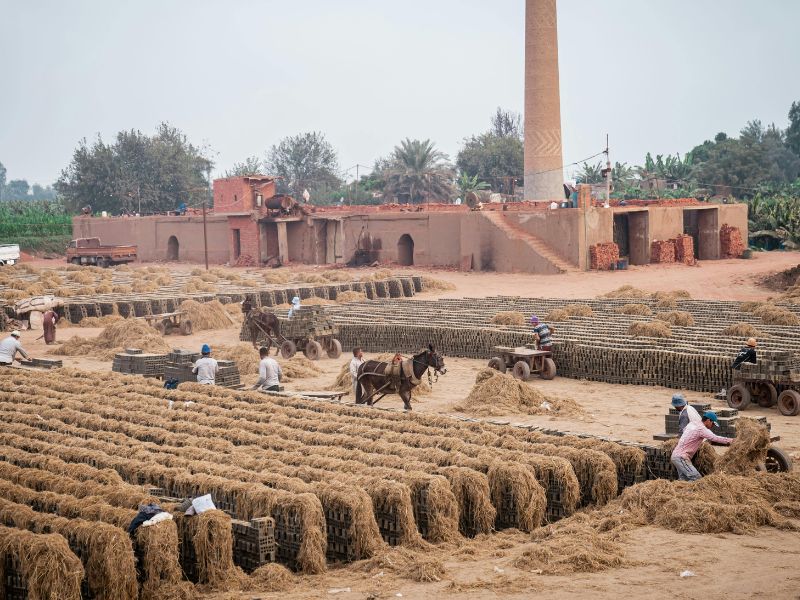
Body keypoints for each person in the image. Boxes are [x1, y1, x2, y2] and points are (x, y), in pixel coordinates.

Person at [670, 411, 732, 481]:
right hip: (681, 458)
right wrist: (731, 441)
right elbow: (714, 438)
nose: (712, 426)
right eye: (713, 424)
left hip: (676, 455)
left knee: (683, 480)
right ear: (708, 420)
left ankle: (677, 491)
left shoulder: (693, 423)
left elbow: (686, 432)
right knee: (696, 478)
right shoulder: (701, 429)